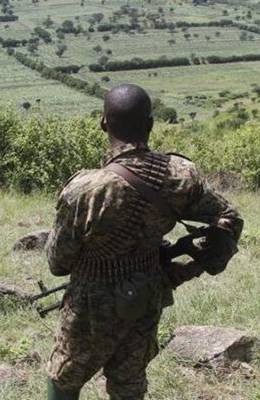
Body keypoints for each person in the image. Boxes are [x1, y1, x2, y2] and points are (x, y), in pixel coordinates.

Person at [45, 84, 243, 400]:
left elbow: (58, 263)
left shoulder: (84, 190)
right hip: (146, 295)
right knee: (129, 384)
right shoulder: (180, 176)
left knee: (64, 379)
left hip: (89, 306)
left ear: (103, 124)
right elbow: (229, 221)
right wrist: (186, 269)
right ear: (150, 124)